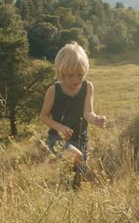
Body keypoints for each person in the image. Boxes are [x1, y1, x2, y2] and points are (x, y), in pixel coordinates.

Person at [39, 42, 107, 188]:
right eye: (70, 75)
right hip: (58, 139)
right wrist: (59, 127)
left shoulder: (88, 87)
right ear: (61, 72)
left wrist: (95, 119)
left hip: (81, 140)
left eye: (80, 75)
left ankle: (67, 201)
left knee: (74, 181)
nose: (76, 79)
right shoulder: (54, 90)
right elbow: (43, 117)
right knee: (76, 156)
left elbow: (88, 112)